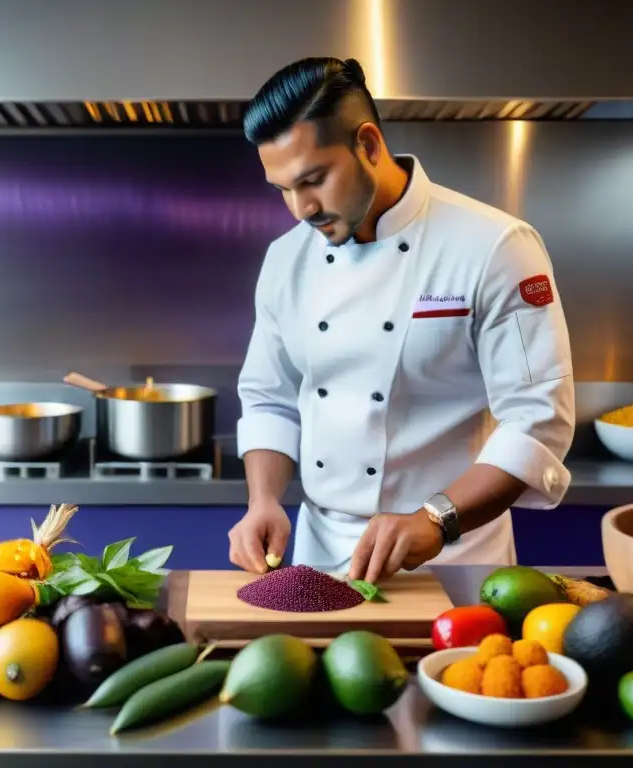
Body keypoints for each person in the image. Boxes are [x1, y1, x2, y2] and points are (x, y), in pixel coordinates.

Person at [228, 57, 576, 584]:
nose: (300, 208)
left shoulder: (494, 247)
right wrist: (262, 501)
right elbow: (269, 397)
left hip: (455, 556)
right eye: (282, 189)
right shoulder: (285, 259)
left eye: (313, 179)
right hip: (320, 555)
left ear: (368, 144)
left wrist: (434, 519)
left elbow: (537, 421)